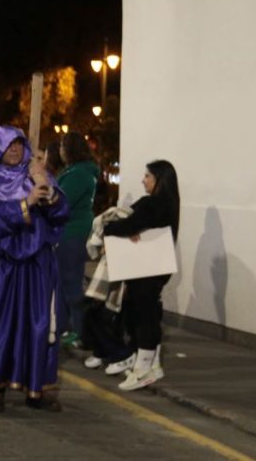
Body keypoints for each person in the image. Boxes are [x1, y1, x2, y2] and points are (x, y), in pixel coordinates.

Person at [0, 125, 70, 413]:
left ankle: (36, 388)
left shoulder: (38, 174)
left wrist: (47, 190)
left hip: (38, 264)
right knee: (1, 325)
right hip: (4, 266)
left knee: (38, 325)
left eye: (18, 144)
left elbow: (61, 213)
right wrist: (24, 204)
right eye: (8, 145)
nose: (14, 150)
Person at [103, 160, 180, 391]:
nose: (143, 180)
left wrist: (112, 229)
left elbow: (126, 222)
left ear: (159, 180)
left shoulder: (153, 204)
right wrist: (131, 226)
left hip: (145, 268)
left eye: (147, 176)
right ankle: (152, 364)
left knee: (143, 314)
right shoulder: (170, 203)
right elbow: (132, 220)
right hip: (157, 266)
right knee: (149, 312)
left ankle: (143, 368)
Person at [55, 132, 99, 346]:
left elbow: (61, 200)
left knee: (72, 282)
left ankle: (81, 332)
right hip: (68, 232)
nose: (60, 151)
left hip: (72, 233)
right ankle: (65, 327)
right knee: (64, 282)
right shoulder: (74, 171)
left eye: (62, 146)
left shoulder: (79, 173)